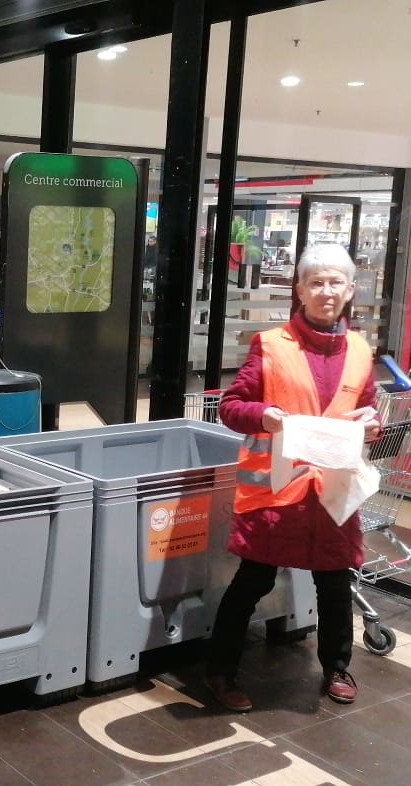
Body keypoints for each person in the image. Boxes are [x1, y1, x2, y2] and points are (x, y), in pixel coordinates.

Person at [203, 242, 380, 712]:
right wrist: (267, 416)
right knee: (252, 583)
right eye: (316, 282)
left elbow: (367, 410)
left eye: (335, 282)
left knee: (336, 585)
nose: (326, 291)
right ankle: (220, 672)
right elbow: (231, 408)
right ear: (299, 289)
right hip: (275, 495)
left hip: (332, 494)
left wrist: (371, 423)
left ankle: (336, 667)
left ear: (350, 290)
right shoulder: (270, 345)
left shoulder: (361, 351)